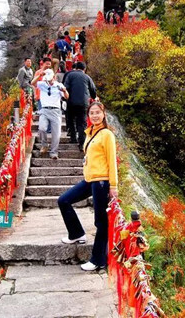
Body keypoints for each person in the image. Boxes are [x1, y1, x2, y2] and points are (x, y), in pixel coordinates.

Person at [58, 101, 118, 271]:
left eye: (98, 112)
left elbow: (112, 161)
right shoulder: (91, 133)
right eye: (92, 113)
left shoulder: (107, 134)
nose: (95, 115)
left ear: (103, 114)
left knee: (101, 222)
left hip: (102, 181)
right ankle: (76, 233)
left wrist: (113, 186)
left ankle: (98, 260)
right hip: (90, 180)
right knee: (63, 200)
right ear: (88, 116)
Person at [32, 68, 69, 159]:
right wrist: (40, 75)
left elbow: (67, 97)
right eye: (47, 80)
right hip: (44, 110)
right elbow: (32, 83)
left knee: (56, 134)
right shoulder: (42, 84)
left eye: (50, 79)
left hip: (56, 111)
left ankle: (54, 152)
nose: (49, 81)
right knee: (42, 128)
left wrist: (64, 91)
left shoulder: (59, 85)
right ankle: (44, 145)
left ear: (54, 77)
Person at [62, 61, 97, 148]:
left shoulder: (70, 75)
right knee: (82, 123)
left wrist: (64, 99)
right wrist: (93, 97)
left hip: (71, 102)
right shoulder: (87, 77)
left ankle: (73, 138)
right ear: (84, 69)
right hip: (83, 103)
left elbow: (65, 87)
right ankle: (82, 143)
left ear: (76, 67)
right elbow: (93, 89)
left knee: (71, 120)